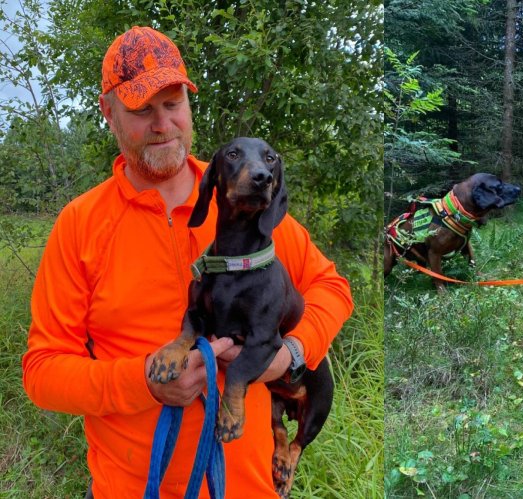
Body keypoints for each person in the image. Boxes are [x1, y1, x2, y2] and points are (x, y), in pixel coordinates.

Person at [21, 26, 354, 498]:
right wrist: (143, 383)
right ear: (109, 113)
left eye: (173, 103)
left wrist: (290, 355)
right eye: (142, 109)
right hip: (135, 487)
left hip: (248, 488)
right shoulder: (81, 224)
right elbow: (43, 371)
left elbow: (332, 288)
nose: (162, 124)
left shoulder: (246, 202)